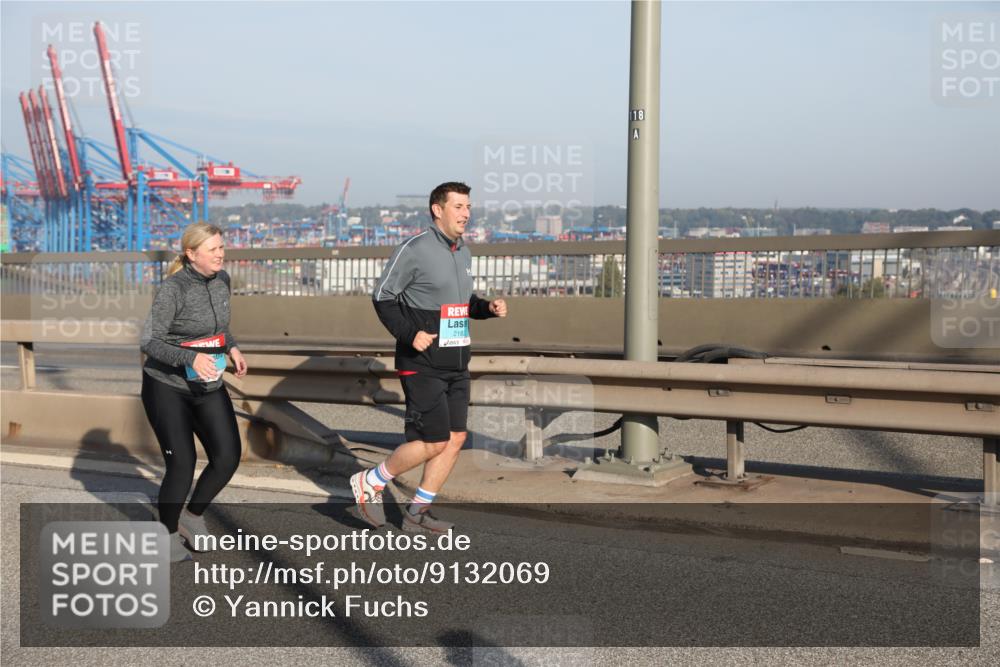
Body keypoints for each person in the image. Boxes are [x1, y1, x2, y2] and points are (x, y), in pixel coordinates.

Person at [351, 182, 507, 534]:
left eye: (468, 207)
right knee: (432, 441)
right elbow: (383, 297)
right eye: (459, 207)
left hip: (456, 361)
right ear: (438, 210)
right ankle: (370, 480)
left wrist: (486, 308)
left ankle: (417, 512)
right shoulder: (415, 248)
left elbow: (460, 304)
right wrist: (410, 334)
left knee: (454, 439)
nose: (466, 213)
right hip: (420, 362)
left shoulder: (462, 251)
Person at [140, 222, 248, 561]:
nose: (221, 254)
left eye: (221, 247)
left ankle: (192, 516)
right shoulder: (173, 289)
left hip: (207, 382)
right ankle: (167, 532)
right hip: (166, 387)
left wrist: (232, 347)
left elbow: (219, 326)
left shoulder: (222, 281)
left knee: (228, 457)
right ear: (191, 254)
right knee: (182, 464)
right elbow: (149, 341)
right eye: (213, 249)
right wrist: (190, 356)